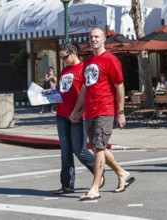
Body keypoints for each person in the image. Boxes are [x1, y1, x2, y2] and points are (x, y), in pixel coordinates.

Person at [77, 28, 135, 201]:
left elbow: (119, 86)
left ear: (103, 39)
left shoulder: (111, 60)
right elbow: (85, 87)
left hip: (105, 109)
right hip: (90, 110)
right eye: (91, 37)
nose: (93, 39)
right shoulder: (87, 61)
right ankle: (121, 173)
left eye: (96, 37)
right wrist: (77, 110)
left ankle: (95, 187)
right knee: (96, 147)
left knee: (99, 147)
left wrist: (121, 112)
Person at [54, 43, 104, 194]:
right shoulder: (64, 70)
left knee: (79, 150)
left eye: (65, 57)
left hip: (77, 115)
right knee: (65, 152)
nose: (63, 60)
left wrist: (79, 112)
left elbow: (87, 93)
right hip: (62, 114)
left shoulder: (83, 68)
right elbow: (64, 90)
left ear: (74, 53)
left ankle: (99, 173)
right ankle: (67, 184)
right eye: (61, 57)